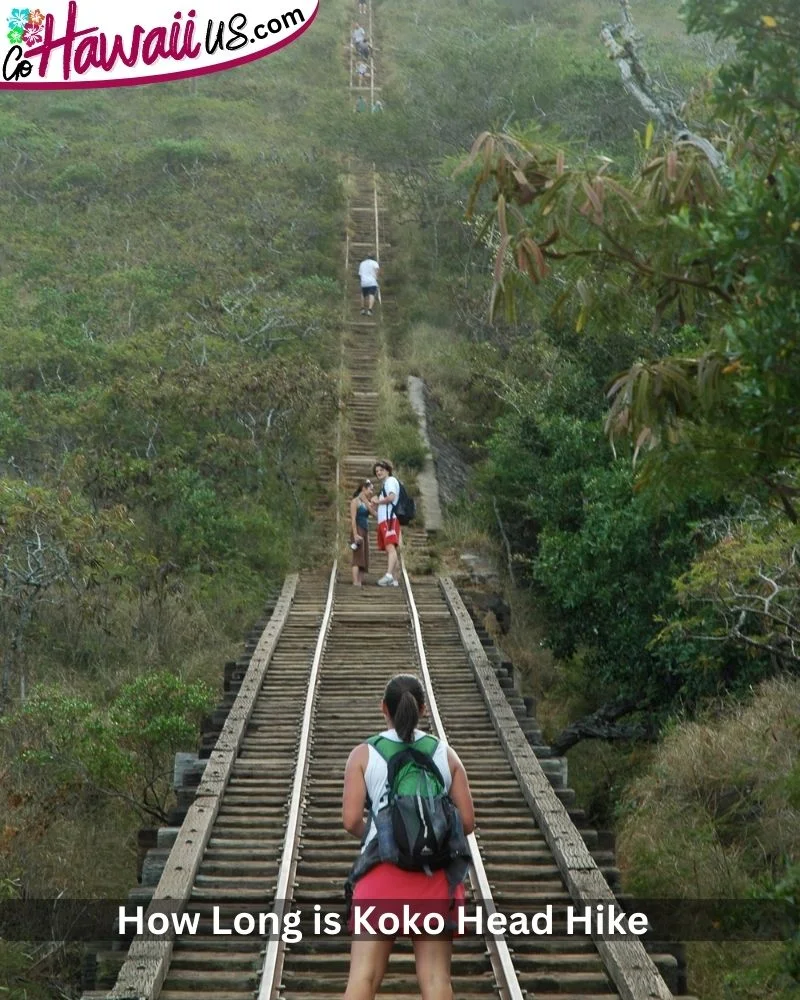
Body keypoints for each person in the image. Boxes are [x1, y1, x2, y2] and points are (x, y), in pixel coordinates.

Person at [342, 674, 475, 1000]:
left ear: (383, 708)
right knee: (435, 980)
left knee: (364, 978)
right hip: (435, 879)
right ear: (423, 709)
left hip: (381, 874)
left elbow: (350, 821)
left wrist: (379, 835)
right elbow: (468, 822)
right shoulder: (445, 754)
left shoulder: (363, 754)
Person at [373, 459, 399, 586]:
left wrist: (378, 501)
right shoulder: (385, 484)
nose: (378, 473)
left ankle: (389, 575)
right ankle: (394, 579)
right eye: (377, 471)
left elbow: (392, 497)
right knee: (391, 548)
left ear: (387, 470)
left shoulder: (390, 481)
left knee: (390, 547)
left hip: (390, 519)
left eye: (381, 470)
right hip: (385, 519)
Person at [350, 479, 374, 586]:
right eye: (370, 489)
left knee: (364, 556)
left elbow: (374, 513)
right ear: (363, 488)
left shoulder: (367, 502)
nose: (371, 492)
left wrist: (367, 501)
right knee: (357, 556)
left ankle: (360, 581)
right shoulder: (355, 501)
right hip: (358, 529)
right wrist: (355, 534)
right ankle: (355, 581)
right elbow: (353, 519)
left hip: (365, 530)